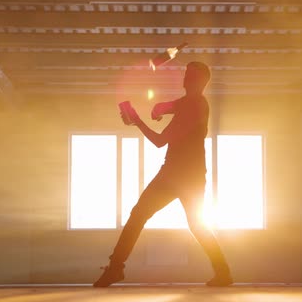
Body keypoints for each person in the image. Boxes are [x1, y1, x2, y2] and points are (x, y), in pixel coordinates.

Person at [93, 62, 233, 287]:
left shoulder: (192, 106)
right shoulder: (193, 103)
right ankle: (223, 272)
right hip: (192, 174)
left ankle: (116, 268)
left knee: (139, 215)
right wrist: (159, 109)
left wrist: (137, 120)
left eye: (189, 75)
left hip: (175, 174)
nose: (184, 78)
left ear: (198, 81)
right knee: (196, 224)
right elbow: (167, 107)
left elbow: (159, 141)